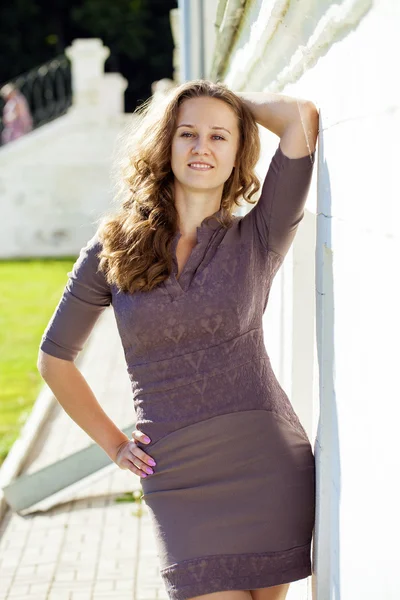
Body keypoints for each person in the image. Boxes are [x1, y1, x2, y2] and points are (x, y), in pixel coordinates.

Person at [38, 79, 319, 600]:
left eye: (219, 137)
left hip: (266, 463)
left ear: (239, 154)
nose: (201, 148)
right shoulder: (115, 245)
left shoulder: (261, 232)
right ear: (165, 144)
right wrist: (115, 445)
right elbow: (55, 358)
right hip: (177, 475)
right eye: (186, 133)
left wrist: (231, 101)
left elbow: (301, 118)